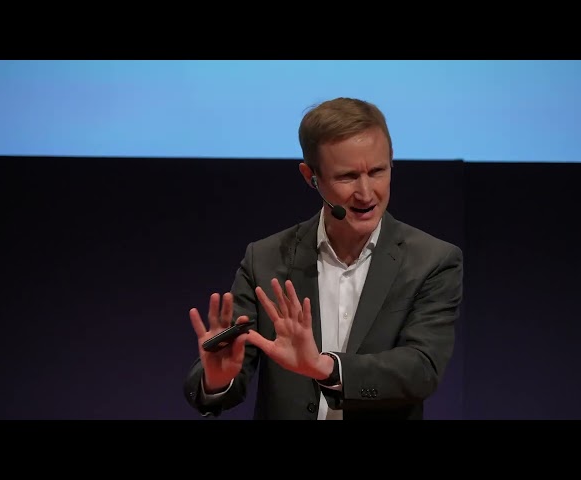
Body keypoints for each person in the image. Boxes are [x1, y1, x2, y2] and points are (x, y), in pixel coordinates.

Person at [183, 97, 463, 420]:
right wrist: (216, 381)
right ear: (310, 177)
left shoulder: (432, 261)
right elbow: (229, 368)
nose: (366, 193)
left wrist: (326, 367)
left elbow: (421, 369)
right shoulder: (266, 259)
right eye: (347, 176)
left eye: (377, 171)